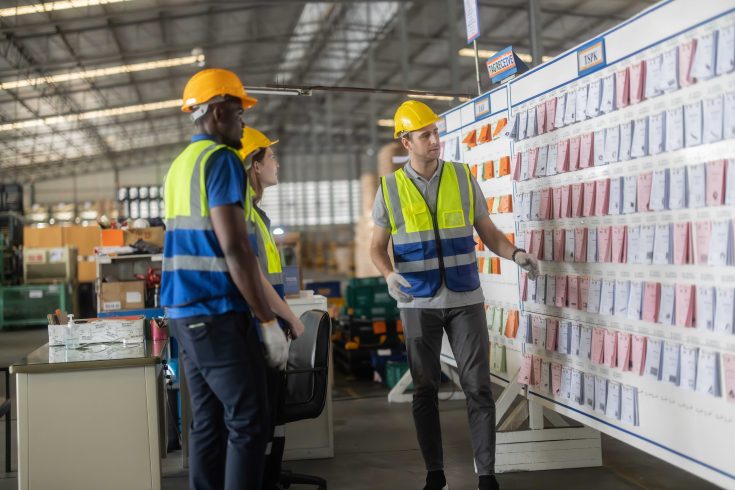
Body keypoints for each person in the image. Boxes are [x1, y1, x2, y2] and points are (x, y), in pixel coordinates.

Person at [370, 100, 539, 490]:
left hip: (464, 298)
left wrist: (515, 253)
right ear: (406, 141)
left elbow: (489, 231)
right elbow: (377, 247)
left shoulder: (462, 178)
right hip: (416, 302)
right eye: (425, 134)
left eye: (436, 132)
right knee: (425, 388)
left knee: (478, 385)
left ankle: (487, 475)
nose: (435, 140)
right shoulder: (390, 188)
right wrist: (388, 274)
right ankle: (435, 473)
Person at [162, 68, 290, 490]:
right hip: (214, 311)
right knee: (250, 419)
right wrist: (268, 321)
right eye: (239, 113)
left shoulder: (181, 165)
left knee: (209, 422)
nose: (244, 124)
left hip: (185, 312)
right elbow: (235, 248)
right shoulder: (220, 160)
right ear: (217, 112)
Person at [239, 126, 304, 489]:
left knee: (274, 410)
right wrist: (290, 316)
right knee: (262, 412)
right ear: (254, 165)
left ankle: (271, 475)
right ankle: (262, 481)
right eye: (271, 158)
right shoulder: (245, 215)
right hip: (259, 325)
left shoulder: (258, 215)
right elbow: (256, 280)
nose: (277, 163)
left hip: (272, 324)